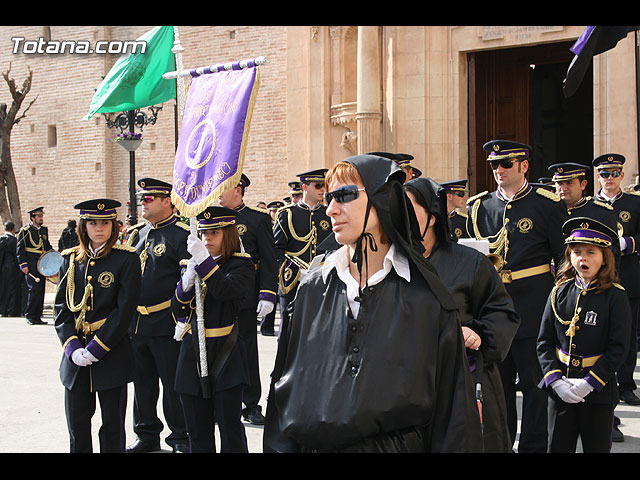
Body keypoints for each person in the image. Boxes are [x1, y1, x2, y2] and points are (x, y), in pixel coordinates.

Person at [264, 154, 483, 452]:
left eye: (344, 196)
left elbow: (454, 413)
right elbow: (283, 397)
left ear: (383, 199)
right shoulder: (311, 290)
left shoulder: (427, 297)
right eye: (329, 198)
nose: (330, 209)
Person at [466, 140, 568, 453]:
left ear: (524, 166)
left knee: (537, 388)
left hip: (534, 307)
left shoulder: (547, 204)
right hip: (494, 309)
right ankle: (501, 444)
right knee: (499, 388)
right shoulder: (480, 206)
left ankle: (533, 448)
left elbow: (562, 258)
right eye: (494, 165)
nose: (499, 170)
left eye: (506, 164)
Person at [404, 177, 520, 452]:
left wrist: (478, 333)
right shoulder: (389, 264)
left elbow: (502, 312)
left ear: (432, 218)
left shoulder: (470, 263)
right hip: (407, 386)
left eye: (408, 210)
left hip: (464, 382)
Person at [537, 217, 631, 452]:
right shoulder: (559, 291)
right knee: (557, 446)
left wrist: (589, 383)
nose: (583, 258)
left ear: (604, 258)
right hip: (561, 388)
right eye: (577, 252)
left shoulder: (615, 297)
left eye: (591, 252)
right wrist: (556, 381)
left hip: (597, 392)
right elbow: (544, 342)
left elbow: (618, 348)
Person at [54, 198, 141, 453]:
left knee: (112, 425)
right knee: (77, 424)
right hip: (75, 358)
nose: (99, 228)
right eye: (93, 223)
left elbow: (124, 310)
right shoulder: (70, 260)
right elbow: (61, 311)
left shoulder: (126, 259)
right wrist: (72, 348)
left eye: (105, 222)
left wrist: (96, 348)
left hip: (110, 352)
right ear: (84, 226)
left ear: (114, 226)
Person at [172, 206, 255, 452]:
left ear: (228, 235)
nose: (207, 238)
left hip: (225, 353)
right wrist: (186, 283)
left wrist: (204, 262)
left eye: (214, 233)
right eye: (204, 233)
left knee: (230, 430)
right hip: (193, 353)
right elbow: (177, 308)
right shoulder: (194, 263)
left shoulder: (241, 265)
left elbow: (225, 290)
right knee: (197, 431)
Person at [125, 178, 189, 454]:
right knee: (142, 385)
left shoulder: (181, 234)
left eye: (149, 199)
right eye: (143, 199)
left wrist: (182, 318)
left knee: (172, 385)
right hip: (136, 323)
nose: (144, 203)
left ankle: (180, 437)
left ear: (167, 202)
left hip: (166, 322)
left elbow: (187, 282)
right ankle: (146, 434)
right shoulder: (136, 234)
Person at [219, 173, 278, 424]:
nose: (218, 192)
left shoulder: (257, 219)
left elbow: (268, 259)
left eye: (224, 187)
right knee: (217, 348)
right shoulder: (211, 217)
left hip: (245, 294)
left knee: (245, 349)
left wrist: (267, 293)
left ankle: (250, 403)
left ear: (238, 190)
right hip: (216, 293)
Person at [591, 153, 640, 408]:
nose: (609, 179)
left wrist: (627, 243)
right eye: (604, 174)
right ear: (597, 177)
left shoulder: (634, 204)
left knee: (627, 334)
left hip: (628, 278)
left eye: (614, 174)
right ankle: (601, 380)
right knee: (598, 332)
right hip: (597, 278)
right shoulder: (590, 205)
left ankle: (626, 385)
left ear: (621, 175)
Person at [273, 168, 332, 335]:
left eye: (324, 186)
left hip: (322, 278)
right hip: (292, 279)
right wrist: (296, 271)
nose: (322, 190)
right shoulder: (287, 214)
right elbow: (277, 250)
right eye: (318, 186)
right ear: (305, 187)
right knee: (289, 330)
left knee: (320, 329)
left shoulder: (328, 214)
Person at [16, 207, 54, 325]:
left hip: (42, 263)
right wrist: (23, 264)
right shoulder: (25, 230)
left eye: (42, 216)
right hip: (30, 263)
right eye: (39, 216)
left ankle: (38, 316)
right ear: (33, 218)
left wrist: (54, 255)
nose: (41, 218)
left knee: (41, 289)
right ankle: (30, 315)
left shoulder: (44, 230)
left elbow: (46, 245)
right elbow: (20, 249)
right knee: (34, 290)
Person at [0, 221, 21, 317]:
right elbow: (16, 255)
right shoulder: (14, 240)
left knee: (3, 288)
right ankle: (11, 310)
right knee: (12, 289)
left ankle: (3, 310)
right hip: (12, 267)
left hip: (3, 267)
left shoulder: (1, 239)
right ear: (13, 229)